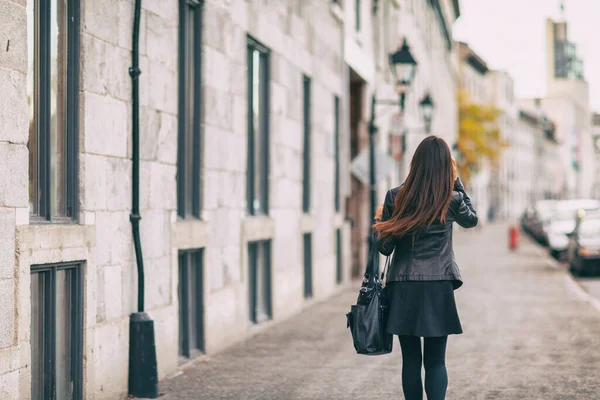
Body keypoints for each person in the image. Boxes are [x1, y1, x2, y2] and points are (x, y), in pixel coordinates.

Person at [373, 136, 478, 400]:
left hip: (403, 285)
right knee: (436, 361)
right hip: (438, 285)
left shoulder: (396, 197)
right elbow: (472, 219)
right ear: (446, 166)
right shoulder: (451, 199)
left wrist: (381, 221)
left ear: (415, 163)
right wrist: (456, 181)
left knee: (410, 361)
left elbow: (384, 248)